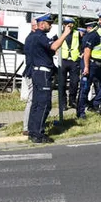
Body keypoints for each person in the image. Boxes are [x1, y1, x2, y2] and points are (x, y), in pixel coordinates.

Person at [24, 13, 71, 143]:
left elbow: (47, 51)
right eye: (49, 23)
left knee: (36, 104)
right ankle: (38, 134)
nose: (50, 26)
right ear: (42, 24)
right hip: (42, 74)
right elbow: (54, 47)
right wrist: (65, 34)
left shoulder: (33, 37)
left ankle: (33, 131)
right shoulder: (39, 36)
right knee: (44, 104)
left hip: (37, 73)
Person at [78, 11, 101, 119]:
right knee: (85, 89)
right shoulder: (94, 34)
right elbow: (87, 51)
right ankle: (81, 112)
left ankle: (94, 103)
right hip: (91, 64)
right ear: (100, 20)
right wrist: (86, 67)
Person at [59, 17, 82, 108]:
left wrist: (81, 53)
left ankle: (72, 101)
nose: (70, 26)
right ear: (64, 25)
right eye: (68, 24)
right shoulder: (59, 33)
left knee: (74, 82)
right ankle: (63, 103)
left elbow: (82, 44)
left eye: (71, 24)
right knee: (62, 83)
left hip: (74, 60)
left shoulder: (77, 33)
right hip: (63, 60)